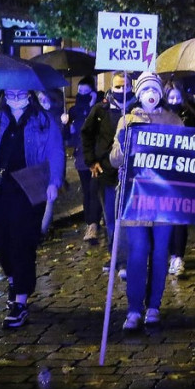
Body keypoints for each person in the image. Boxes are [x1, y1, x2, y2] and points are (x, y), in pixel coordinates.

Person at [0, 88, 65, 329]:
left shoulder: (42, 118)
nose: (15, 96)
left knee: (22, 242)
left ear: (29, 92)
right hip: (0, 189)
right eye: (11, 92)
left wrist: (54, 182)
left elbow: (56, 152)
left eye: (20, 91)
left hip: (30, 186)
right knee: (1, 241)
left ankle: (20, 302)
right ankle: (14, 281)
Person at [110, 73, 182, 332]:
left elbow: (185, 157)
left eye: (155, 89)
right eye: (146, 89)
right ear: (139, 93)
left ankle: (154, 305)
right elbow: (114, 160)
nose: (151, 94)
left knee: (160, 250)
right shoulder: (127, 120)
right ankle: (133, 309)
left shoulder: (174, 120)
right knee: (138, 250)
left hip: (164, 196)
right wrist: (123, 144)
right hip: (135, 196)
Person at [81, 72, 136, 273]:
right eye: (118, 87)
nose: (121, 90)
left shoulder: (137, 110)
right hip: (107, 173)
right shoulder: (100, 110)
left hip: (132, 174)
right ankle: (116, 257)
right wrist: (91, 161)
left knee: (128, 218)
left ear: (132, 87)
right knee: (111, 219)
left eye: (125, 86)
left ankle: (128, 257)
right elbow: (86, 134)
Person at [164, 81, 195, 278]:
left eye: (178, 98)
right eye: (171, 98)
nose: (175, 101)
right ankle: (168, 253)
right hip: (164, 175)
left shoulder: (193, 115)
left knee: (180, 217)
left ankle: (178, 255)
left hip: (185, 175)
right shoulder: (160, 117)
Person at [67, 76, 100, 243]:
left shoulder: (99, 108)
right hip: (81, 155)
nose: (82, 94)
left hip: (96, 156)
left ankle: (94, 223)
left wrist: (93, 104)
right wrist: (67, 125)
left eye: (86, 92)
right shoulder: (73, 111)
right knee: (87, 191)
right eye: (80, 91)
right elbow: (69, 137)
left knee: (95, 189)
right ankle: (91, 222)